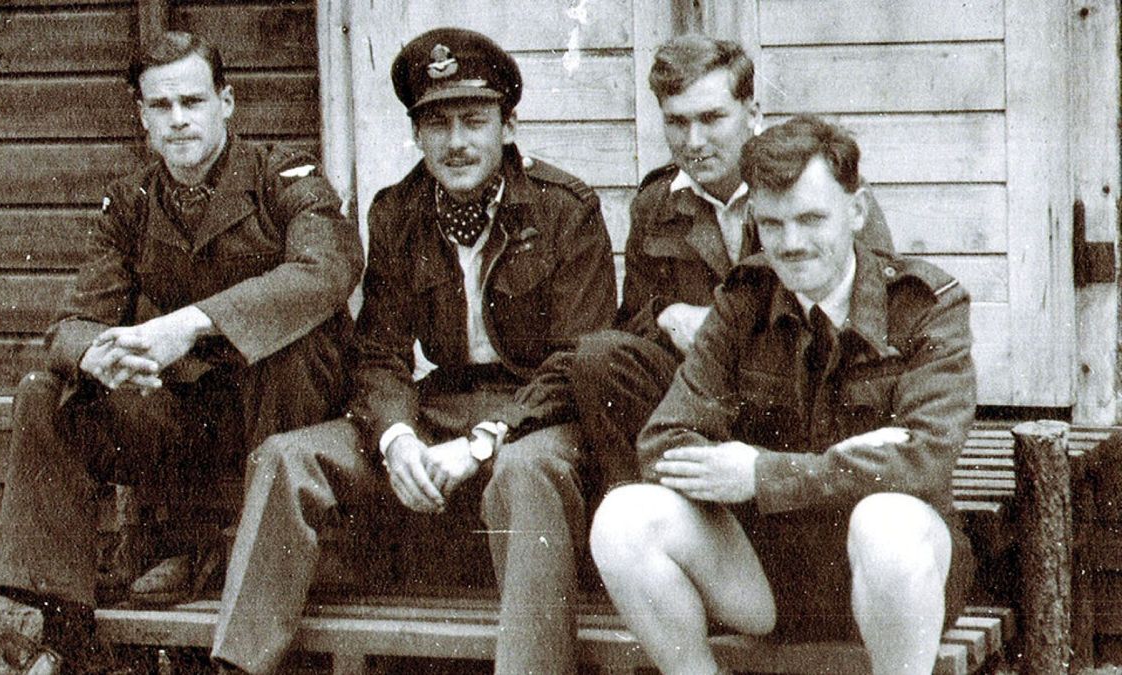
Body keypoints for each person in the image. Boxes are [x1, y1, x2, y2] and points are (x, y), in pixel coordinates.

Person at [209, 28, 616, 674]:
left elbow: (578, 362)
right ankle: (236, 665)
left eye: (474, 120)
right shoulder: (398, 212)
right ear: (417, 134)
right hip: (439, 407)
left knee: (523, 472)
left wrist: (485, 440)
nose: (456, 142)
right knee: (290, 458)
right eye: (437, 124)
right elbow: (379, 353)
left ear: (507, 127)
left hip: (538, 417)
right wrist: (398, 437)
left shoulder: (567, 209)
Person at [0, 30, 362, 671]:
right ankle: (60, 626)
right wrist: (98, 355)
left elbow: (328, 271)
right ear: (142, 116)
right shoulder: (130, 203)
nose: (179, 120)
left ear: (228, 101)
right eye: (160, 107)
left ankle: (239, 557)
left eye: (193, 101)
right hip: (186, 426)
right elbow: (72, 322)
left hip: (282, 419)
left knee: (299, 343)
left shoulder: (285, 179)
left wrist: (188, 325)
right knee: (46, 391)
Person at [589, 115, 976, 675]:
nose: (791, 244)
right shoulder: (744, 301)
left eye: (812, 218)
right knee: (623, 518)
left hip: (894, 577)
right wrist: (854, 460)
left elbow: (925, 458)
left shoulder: (924, 305)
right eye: (772, 224)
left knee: (887, 520)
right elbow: (664, 440)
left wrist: (760, 474)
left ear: (857, 212)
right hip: (765, 573)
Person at [569, 34, 893, 488]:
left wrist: (730, 322)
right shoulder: (656, 203)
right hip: (708, 392)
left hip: (798, 389)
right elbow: (633, 321)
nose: (694, 140)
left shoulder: (815, 191)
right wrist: (666, 315)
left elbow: (872, 307)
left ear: (753, 114)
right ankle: (650, 499)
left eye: (712, 118)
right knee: (599, 359)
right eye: (676, 122)